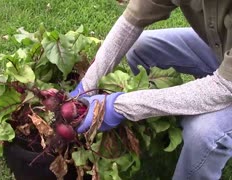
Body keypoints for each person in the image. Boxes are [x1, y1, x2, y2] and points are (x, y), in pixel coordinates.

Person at [70, 0, 232, 179]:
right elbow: (133, 19)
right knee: (140, 48)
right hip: (223, 51)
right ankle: (166, 125)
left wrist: (121, 107)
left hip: (227, 82)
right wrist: (88, 84)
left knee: (202, 133)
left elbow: (224, 86)